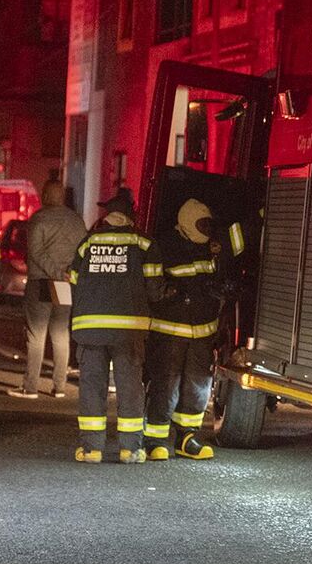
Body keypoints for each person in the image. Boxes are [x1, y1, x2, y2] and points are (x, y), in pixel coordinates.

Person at [68, 187, 162, 464]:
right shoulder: (144, 244)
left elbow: (74, 279)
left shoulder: (88, 242)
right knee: (130, 387)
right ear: (131, 215)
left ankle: (91, 450)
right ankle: (130, 450)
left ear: (108, 215)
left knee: (92, 386)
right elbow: (154, 288)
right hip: (128, 330)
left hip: (90, 328)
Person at [142, 197, 235, 461]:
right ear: (186, 222)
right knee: (165, 384)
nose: (205, 230)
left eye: (208, 225)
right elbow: (153, 287)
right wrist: (171, 295)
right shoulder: (164, 245)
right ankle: (156, 439)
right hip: (170, 331)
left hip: (202, 333)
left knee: (197, 386)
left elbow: (218, 278)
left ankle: (187, 438)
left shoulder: (212, 248)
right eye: (201, 225)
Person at [10, 180, 86, 399]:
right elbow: (83, 253)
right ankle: (59, 387)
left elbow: (36, 252)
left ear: (45, 195)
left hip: (42, 281)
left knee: (36, 334)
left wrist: (54, 271)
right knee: (61, 333)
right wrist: (66, 273)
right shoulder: (76, 221)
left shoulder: (39, 219)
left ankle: (31, 387)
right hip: (64, 284)